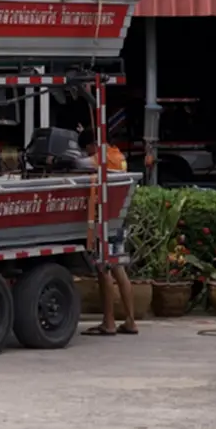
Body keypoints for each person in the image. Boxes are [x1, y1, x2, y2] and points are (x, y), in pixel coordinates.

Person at [77, 130, 139, 336]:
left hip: (105, 221)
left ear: (94, 144)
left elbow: (78, 164)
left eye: (87, 148)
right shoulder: (118, 155)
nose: (87, 153)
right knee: (119, 269)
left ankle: (109, 322)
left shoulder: (101, 158)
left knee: (104, 270)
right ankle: (130, 321)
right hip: (118, 219)